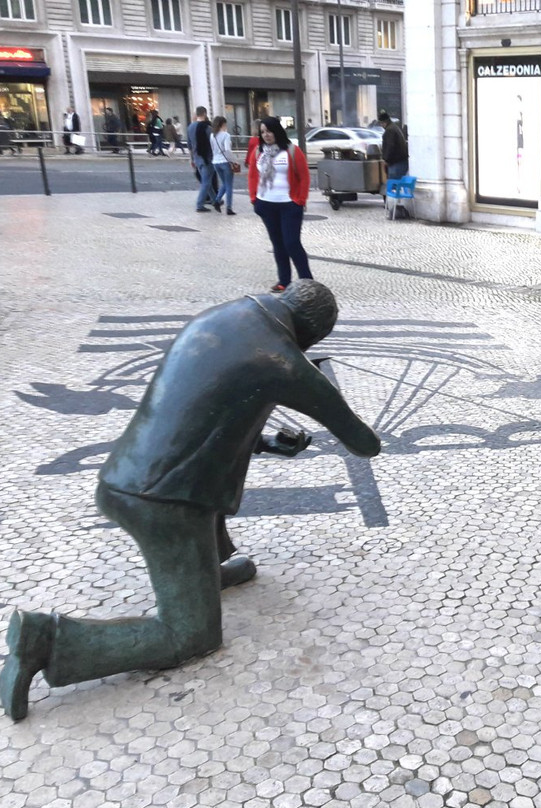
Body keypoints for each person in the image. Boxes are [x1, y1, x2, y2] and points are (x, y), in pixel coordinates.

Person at [0, 281, 381, 722]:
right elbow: (362, 442)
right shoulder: (282, 360)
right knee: (191, 635)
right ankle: (46, 640)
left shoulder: (221, 318)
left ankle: (208, 569)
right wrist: (341, 411)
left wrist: (271, 444)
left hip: (124, 477)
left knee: (204, 500)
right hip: (162, 503)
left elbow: (203, 408)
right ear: (311, 334)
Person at [249, 117, 312, 292]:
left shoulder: (292, 151)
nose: (266, 135)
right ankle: (284, 280)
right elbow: (253, 176)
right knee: (277, 243)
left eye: (269, 131)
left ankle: (306, 280)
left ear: (277, 131)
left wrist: (300, 200)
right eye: (263, 132)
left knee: (292, 242)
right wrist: (254, 199)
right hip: (266, 204)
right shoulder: (258, 152)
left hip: (289, 205)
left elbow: (304, 177)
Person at [187, 106, 214, 212]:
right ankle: (199, 204)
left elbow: (189, 145)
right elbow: (213, 144)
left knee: (207, 180)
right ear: (205, 113)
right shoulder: (208, 128)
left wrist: (192, 159)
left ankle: (214, 199)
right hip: (207, 157)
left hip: (197, 157)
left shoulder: (190, 127)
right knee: (206, 181)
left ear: (196, 114)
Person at [210, 115, 237, 215]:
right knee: (229, 185)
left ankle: (217, 201)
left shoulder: (212, 135)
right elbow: (227, 150)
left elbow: (213, 149)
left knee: (224, 183)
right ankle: (229, 208)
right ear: (223, 124)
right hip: (225, 162)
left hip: (216, 162)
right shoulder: (226, 135)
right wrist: (234, 161)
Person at [377, 110, 408, 180]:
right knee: (398, 183)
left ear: (384, 122)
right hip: (401, 161)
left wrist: (386, 160)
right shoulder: (394, 127)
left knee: (394, 185)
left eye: (381, 123)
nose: (381, 126)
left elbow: (390, 147)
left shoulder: (389, 130)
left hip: (395, 163)